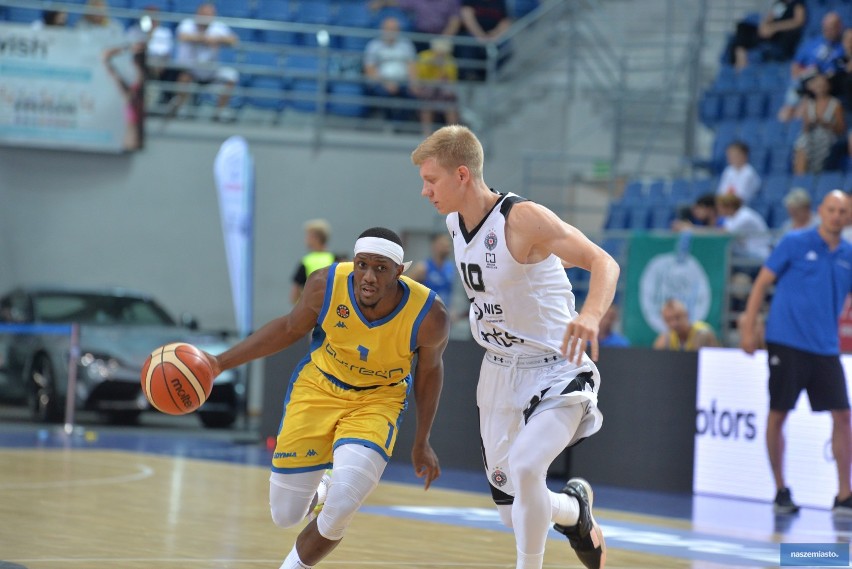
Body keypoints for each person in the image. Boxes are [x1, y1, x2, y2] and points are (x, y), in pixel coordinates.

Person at [412, 125, 619, 569]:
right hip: (500, 372)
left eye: (431, 180)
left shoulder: (522, 218)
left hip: (556, 366)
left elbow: (604, 261)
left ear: (462, 175)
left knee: (527, 468)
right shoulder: (454, 224)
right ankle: (574, 511)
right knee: (514, 512)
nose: (425, 191)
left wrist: (589, 314)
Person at [205, 227, 450, 569]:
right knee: (285, 515)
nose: (368, 276)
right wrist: (219, 362)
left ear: (399, 271)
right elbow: (290, 328)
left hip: (378, 401)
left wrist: (422, 440)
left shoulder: (429, 314)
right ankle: (322, 488)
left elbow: (429, 373)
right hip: (319, 387)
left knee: (343, 503)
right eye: (362, 264)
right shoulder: (325, 284)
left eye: (380, 268)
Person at [739, 190, 852, 516]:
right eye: (831, 209)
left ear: (848, 217)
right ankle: (780, 490)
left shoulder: (847, 254)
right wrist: (748, 327)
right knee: (779, 413)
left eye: (842, 211)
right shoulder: (794, 242)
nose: (836, 216)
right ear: (821, 211)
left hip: (826, 347)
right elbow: (761, 284)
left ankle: (844, 495)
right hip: (786, 342)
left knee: (843, 416)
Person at [169, 3, 239, 120]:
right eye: (205, 14)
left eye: (210, 14)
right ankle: (181, 108)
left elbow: (234, 40)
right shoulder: (188, 23)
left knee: (231, 76)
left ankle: (220, 112)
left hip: (211, 68)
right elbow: (182, 36)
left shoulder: (218, 26)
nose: (208, 17)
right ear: (198, 14)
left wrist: (218, 39)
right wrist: (203, 38)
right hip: (192, 67)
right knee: (184, 76)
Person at [778, 12, 844, 121]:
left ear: (839, 27)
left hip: (828, 83)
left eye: (831, 28)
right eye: (825, 28)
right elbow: (795, 66)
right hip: (806, 80)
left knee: (807, 103)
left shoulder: (843, 44)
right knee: (788, 107)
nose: (828, 31)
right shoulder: (812, 43)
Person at [363, 17, 417, 122]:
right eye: (388, 29)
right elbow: (369, 70)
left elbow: (412, 67)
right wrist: (386, 83)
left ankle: (397, 124)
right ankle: (388, 121)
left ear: (398, 31)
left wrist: (413, 83)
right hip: (380, 82)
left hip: (403, 81)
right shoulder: (373, 45)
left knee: (412, 95)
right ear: (382, 30)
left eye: (394, 29)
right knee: (382, 93)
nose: (391, 32)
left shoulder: (406, 45)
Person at [726, 0, 806, 70]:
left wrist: (775, 27)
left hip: (783, 34)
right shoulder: (781, 3)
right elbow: (770, 16)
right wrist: (764, 26)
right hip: (771, 32)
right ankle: (740, 53)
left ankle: (741, 56)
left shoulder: (798, 3)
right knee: (743, 27)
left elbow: (797, 22)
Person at [792, 74, 846, 174]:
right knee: (802, 143)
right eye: (818, 85)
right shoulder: (808, 104)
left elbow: (841, 129)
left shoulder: (836, 104)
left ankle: (816, 175)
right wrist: (812, 123)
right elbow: (805, 128)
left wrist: (827, 124)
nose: (820, 88)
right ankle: (800, 178)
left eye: (822, 85)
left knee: (821, 142)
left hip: (828, 135)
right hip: (811, 135)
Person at [411, 37, 460, 136]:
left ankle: (452, 135)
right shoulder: (423, 57)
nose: (441, 54)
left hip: (442, 90)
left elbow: (450, 82)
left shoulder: (450, 61)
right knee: (427, 102)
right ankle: (426, 133)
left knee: (450, 104)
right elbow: (419, 76)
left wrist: (441, 72)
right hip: (426, 88)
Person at [103, 42, 146, 151]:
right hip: (130, 140)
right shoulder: (132, 89)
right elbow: (105, 56)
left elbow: (106, 57)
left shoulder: (138, 88)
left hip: (133, 140)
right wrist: (128, 48)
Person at [369, 0, 461, 50]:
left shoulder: (450, 1)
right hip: (420, 36)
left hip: (442, 36)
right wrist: (381, 2)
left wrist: (443, 39)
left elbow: (455, 21)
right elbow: (398, 2)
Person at [457, 0, 512, 81]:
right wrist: (480, 35)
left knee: (506, 46)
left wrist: (495, 34)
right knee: (468, 43)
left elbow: (506, 21)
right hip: (473, 34)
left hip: (493, 36)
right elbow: (467, 16)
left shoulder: (500, 2)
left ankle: (489, 76)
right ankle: (468, 74)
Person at [291, 219, 336, 306]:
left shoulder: (306, 261)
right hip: (331, 310)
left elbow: (294, 294)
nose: (306, 239)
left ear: (316, 238)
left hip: (311, 311)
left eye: (308, 236)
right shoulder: (335, 260)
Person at [716, 193, 772, 262]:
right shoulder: (729, 218)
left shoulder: (745, 216)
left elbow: (725, 234)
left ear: (729, 206)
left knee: (723, 257)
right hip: (745, 251)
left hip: (758, 253)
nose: (718, 210)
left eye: (720, 207)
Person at [652, 298, 719, 351]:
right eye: (669, 320)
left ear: (687, 315)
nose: (674, 323)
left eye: (677, 317)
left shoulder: (704, 334)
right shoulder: (665, 339)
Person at [408, 232, 455, 306]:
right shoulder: (422, 268)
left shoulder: (451, 268)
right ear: (434, 245)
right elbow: (406, 289)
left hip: (444, 312)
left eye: (448, 244)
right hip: (426, 313)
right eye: (442, 244)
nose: (447, 247)